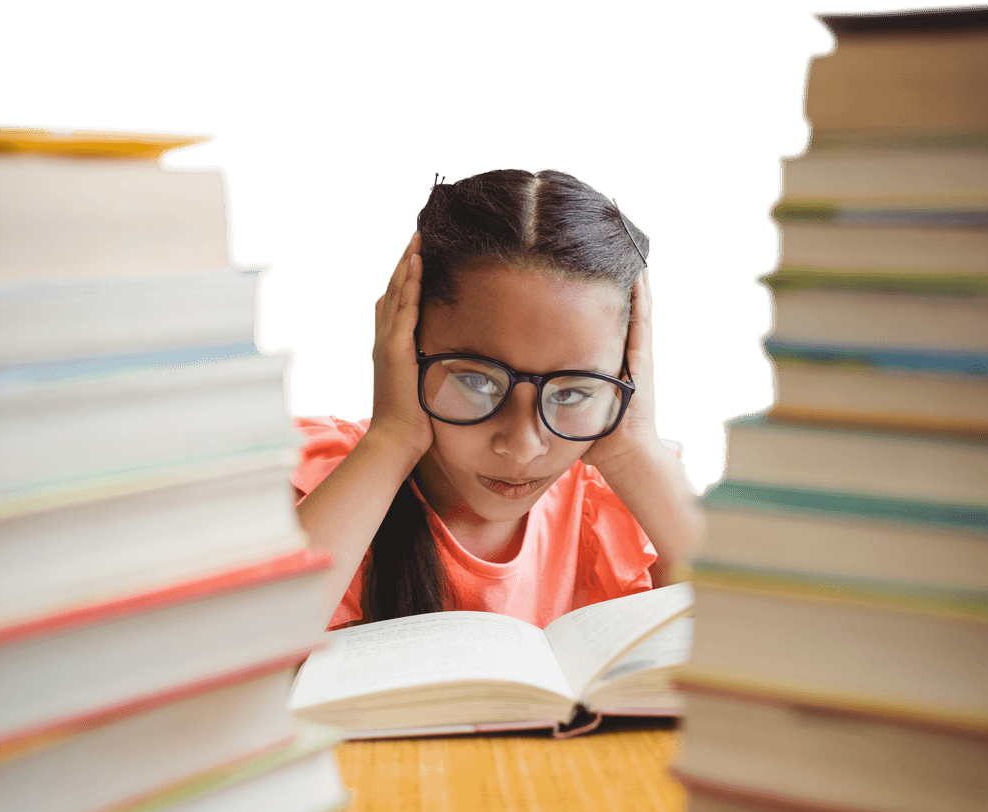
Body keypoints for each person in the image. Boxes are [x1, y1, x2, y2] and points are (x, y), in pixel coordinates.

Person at [293, 169, 704, 629]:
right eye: (477, 382)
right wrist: (391, 438)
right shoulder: (321, 484)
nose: (524, 446)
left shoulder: (626, 504)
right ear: (403, 346)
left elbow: (762, 642)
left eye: (572, 392)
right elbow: (235, 660)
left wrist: (634, 451)